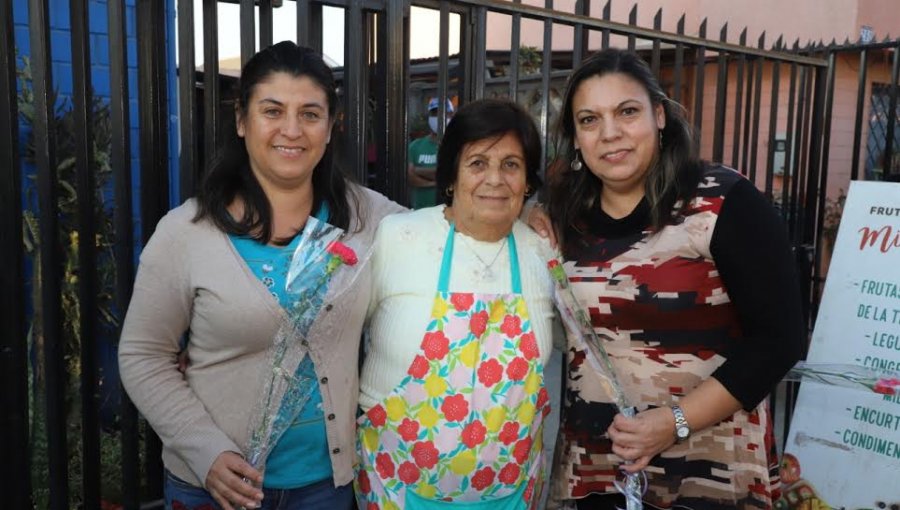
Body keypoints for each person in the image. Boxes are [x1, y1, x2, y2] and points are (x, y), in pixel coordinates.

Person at [118, 41, 404, 510]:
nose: (291, 130)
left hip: (324, 487)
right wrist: (206, 450)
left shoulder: (368, 218)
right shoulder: (186, 234)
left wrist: (532, 220)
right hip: (214, 487)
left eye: (310, 114)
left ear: (330, 128)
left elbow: (451, 230)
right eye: (272, 110)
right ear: (241, 120)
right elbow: (143, 355)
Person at [545, 48, 804, 509]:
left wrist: (675, 420)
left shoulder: (723, 202)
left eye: (627, 111)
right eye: (589, 120)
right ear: (576, 137)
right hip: (595, 471)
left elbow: (779, 340)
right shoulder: (564, 217)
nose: (610, 134)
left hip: (709, 474)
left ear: (659, 115)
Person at [357, 99, 557, 509]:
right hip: (398, 489)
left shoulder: (543, 252)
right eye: (478, 163)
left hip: (511, 496)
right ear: (451, 175)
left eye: (511, 165)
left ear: (527, 182)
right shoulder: (398, 238)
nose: (495, 180)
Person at [407, 97, 455, 209]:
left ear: (451, 116)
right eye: (434, 113)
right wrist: (435, 183)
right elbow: (409, 177)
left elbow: (452, 174)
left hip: (449, 212)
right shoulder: (415, 145)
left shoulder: (457, 146)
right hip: (420, 211)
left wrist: (418, 170)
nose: (438, 117)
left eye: (444, 113)